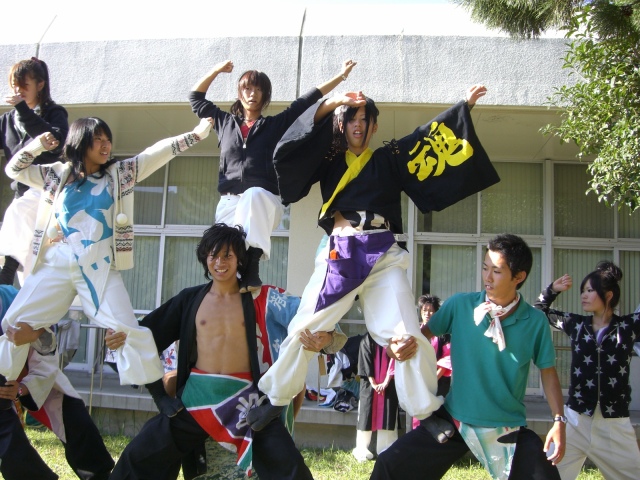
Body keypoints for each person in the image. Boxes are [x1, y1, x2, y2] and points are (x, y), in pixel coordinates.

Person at [250, 85, 500, 436]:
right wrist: (333, 103)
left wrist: (465, 107)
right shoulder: (329, 158)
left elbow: (425, 138)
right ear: (341, 125)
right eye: (351, 119)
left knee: (407, 334)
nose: (358, 125)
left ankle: (426, 411)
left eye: (364, 119)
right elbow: (292, 145)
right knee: (306, 327)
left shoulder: (388, 159)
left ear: (374, 126)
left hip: (383, 253)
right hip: (342, 253)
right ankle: (276, 398)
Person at [0, 117, 212, 408]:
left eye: (107, 139)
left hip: (99, 264)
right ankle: (4, 389)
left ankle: (160, 398)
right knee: (15, 323)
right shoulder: (56, 174)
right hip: (57, 261)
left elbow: (157, 152)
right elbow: (14, 169)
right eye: (98, 139)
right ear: (80, 142)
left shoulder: (119, 174)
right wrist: (37, 146)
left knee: (127, 329)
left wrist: (196, 134)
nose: (105, 145)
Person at [109, 223, 339, 480]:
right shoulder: (189, 300)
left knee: (291, 468)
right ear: (205, 258)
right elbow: (145, 336)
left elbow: (314, 313)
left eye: (227, 255)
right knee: (138, 456)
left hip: (247, 402)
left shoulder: (264, 298)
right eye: (213, 255)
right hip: (196, 399)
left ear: (239, 259)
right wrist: (122, 340)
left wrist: (327, 338)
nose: (220, 262)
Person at [371, 233, 565, 480]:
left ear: (519, 277)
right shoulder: (460, 305)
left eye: (496, 271)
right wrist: (393, 349)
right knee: (390, 465)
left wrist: (559, 421)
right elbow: (418, 338)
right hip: (454, 421)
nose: (487, 277)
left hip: (506, 425)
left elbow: (548, 372)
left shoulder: (535, 321)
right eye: (485, 267)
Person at [189, 58, 356, 292]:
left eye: (258, 89)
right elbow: (195, 98)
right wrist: (216, 70)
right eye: (247, 88)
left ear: (265, 96)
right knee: (224, 254)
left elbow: (307, 102)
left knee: (253, 194)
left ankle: (252, 264)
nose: (252, 94)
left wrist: (341, 79)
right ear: (239, 92)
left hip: (265, 202)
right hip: (229, 201)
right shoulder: (224, 122)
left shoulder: (275, 125)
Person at [534, 262, 640, 480]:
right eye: (583, 290)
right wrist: (552, 289)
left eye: (590, 290)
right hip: (574, 421)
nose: (583, 295)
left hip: (614, 425)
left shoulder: (628, 326)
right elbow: (537, 313)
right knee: (548, 475)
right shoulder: (576, 324)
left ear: (608, 295)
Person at [0, 285, 114, 480]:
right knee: (10, 444)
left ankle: (99, 475)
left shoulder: (19, 300)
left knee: (76, 420)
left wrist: (22, 388)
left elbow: (46, 355)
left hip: (33, 371)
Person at [0, 57, 68, 286]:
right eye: (14, 86)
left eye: (24, 85)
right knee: (30, 264)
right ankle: (23, 295)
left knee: (18, 211)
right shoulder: (7, 121)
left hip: (47, 188)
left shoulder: (55, 113)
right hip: (22, 190)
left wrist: (22, 109)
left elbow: (57, 142)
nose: (18, 91)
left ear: (40, 85)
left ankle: (6, 269)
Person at [352, 333, 399, 462]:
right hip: (369, 386)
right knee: (366, 415)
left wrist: (386, 382)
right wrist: (373, 383)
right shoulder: (366, 340)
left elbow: (395, 361)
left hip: (389, 385)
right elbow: (364, 363)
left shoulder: (393, 339)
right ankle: (362, 450)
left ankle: (386, 450)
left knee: (388, 415)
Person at [412, 294, 450, 430]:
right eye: (424, 310)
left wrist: (433, 377)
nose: (427, 314)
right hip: (419, 380)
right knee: (420, 413)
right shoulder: (415, 332)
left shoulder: (444, 333)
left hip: (439, 380)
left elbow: (448, 358)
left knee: (438, 411)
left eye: (431, 311)